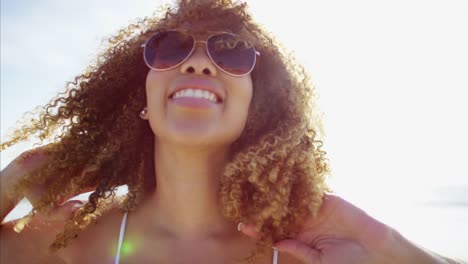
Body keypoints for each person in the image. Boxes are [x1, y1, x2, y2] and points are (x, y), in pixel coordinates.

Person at [0, 0, 465, 263]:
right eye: (170, 48)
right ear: (141, 99)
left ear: (256, 103)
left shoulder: (302, 255)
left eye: (232, 53)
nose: (197, 62)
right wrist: (9, 183)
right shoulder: (69, 240)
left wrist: (386, 245)